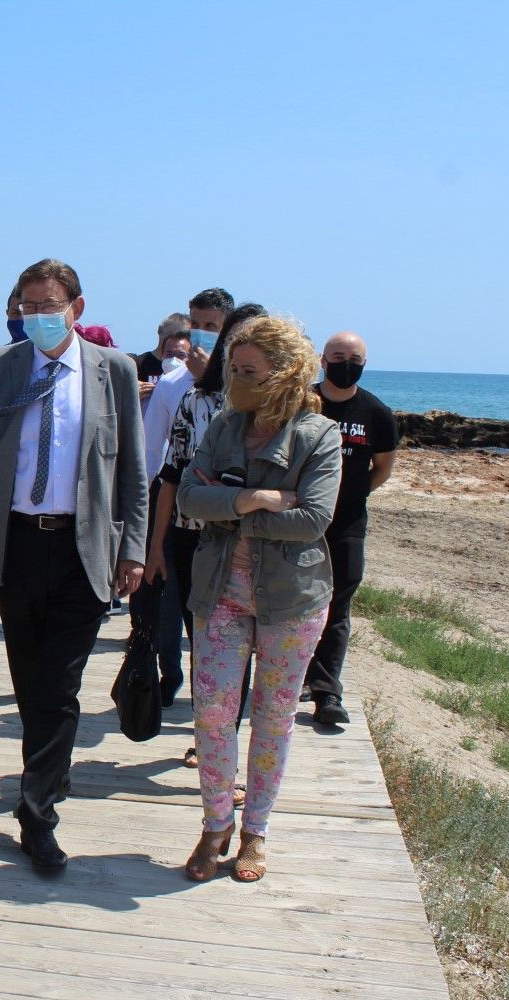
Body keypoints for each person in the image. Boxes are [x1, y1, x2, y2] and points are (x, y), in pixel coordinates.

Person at [0, 258, 149, 872]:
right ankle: (48, 774)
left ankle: (36, 816)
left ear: (77, 307)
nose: (38, 314)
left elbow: (133, 471)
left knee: (60, 684)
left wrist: (134, 549)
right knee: (30, 678)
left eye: (50, 303)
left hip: (83, 548)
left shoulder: (112, 370)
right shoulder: (0, 368)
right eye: (27, 304)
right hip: (16, 544)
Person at [178, 316, 342, 884]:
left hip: (291, 600)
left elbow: (314, 519)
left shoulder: (319, 436)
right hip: (220, 591)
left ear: (284, 372)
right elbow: (190, 496)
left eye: (248, 371)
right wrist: (255, 498)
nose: (236, 380)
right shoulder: (224, 427)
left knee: (273, 718)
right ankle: (215, 824)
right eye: (233, 369)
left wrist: (231, 507)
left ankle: (256, 833)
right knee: (214, 715)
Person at [145, 301, 263, 718]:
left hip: (254, 543)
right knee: (203, 637)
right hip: (189, 535)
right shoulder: (195, 400)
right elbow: (170, 476)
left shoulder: (283, 411)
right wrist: (155, 546)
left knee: (237, 644)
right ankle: (206, 725)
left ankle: (222, 729)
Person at [305, 331, 398, 728]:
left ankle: (327, 691)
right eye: (338, 355)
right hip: (300, 521)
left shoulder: (377, 414)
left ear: (364, 363)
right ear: (323, 360)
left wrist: (350, 495)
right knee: (294, 602)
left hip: (348, 523)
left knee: (338, 603)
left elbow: (382, 469)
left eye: (354, 357)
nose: (346, 363)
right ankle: (293, 673)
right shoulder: (302, 402)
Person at [134, 312, 191, 408]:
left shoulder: (191, 369)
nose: (176, 338)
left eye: (184, 334)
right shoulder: (138, 362)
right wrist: (130, 389)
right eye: (175, 334)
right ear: (160, 332)